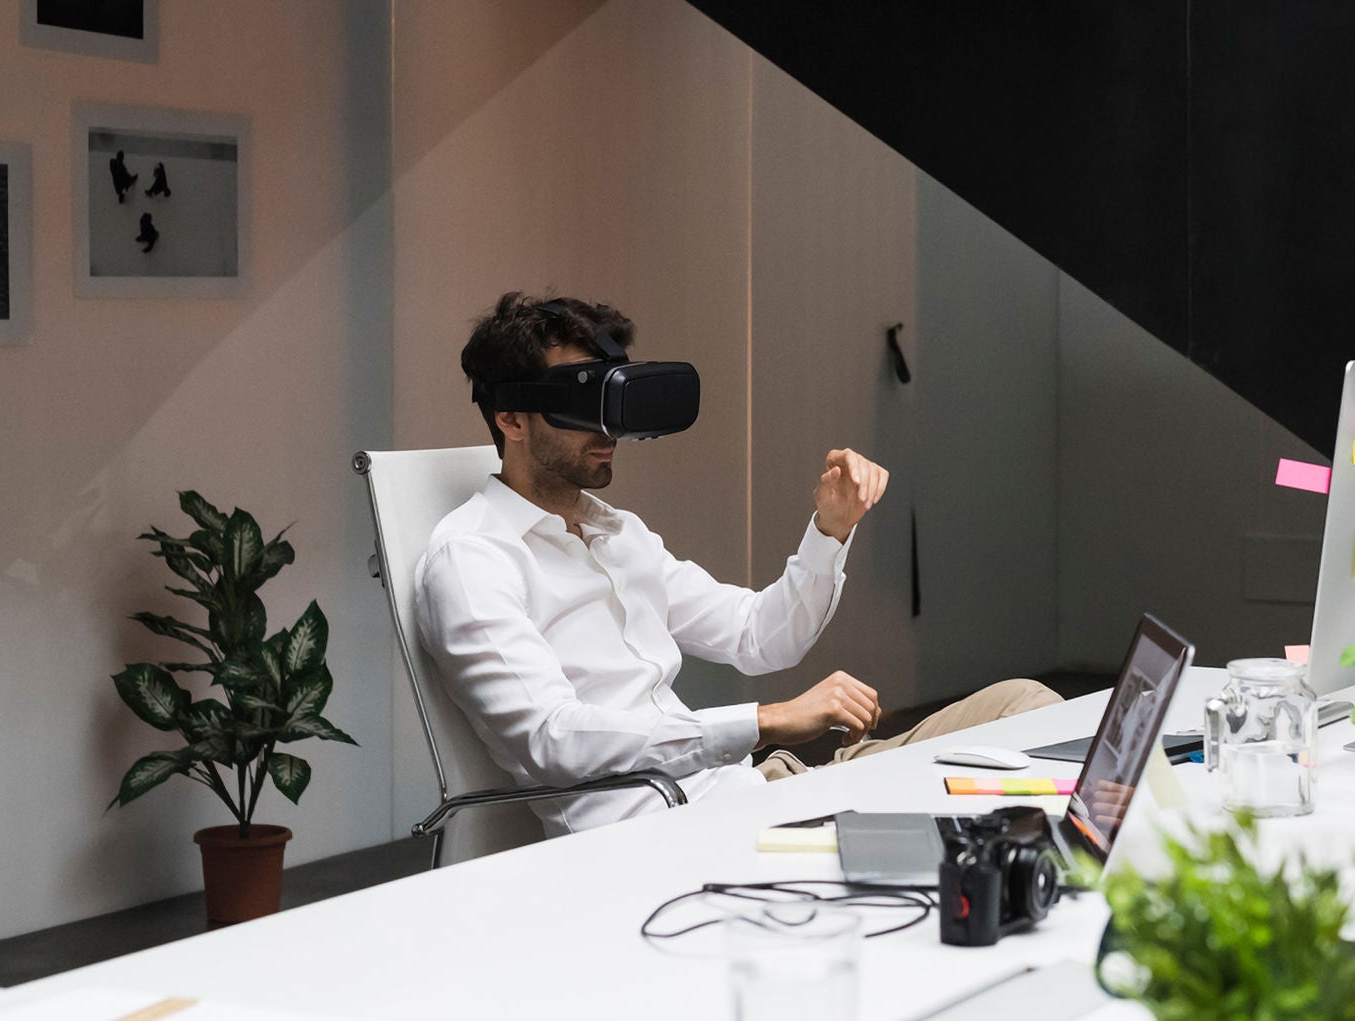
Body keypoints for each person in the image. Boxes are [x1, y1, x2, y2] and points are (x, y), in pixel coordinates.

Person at [417, 293, 1060, 837]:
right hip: (677, 839)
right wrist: (764, 721)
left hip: (761, 795)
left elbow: (760, 637)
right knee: (1008, 791)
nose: (608, 429)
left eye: (613, 398)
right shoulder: (471, 560)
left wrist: (830, 530)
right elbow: (552, 741)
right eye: (582, 404)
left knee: (1026, 707)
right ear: (511, 418)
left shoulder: (618, 534)